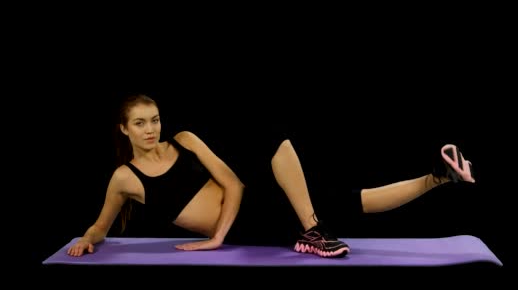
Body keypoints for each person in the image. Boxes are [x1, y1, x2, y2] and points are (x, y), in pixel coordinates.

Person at [66, 94, 476, 259]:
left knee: (352, 198)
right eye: (140, 123)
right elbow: (101, 226)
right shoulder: (125, 177)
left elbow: (234, 184)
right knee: (356, 202)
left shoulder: (185, 140)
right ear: (124, 129)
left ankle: (438, 178)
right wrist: (88, 238)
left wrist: (216, 239)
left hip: (253, 209)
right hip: (253, 225)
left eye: (154, 119)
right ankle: (437, 178)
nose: (151, 129)